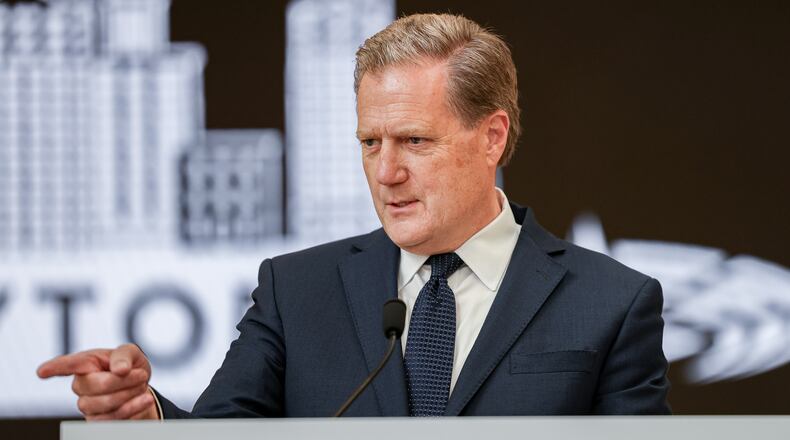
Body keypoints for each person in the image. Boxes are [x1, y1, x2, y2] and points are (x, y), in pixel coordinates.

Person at [37, 13, 670, 418]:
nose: (385, 172)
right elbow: (220, 439)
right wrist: (143, 414)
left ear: (492, 138)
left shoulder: (611, 303)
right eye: (371, 143)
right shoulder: (296, 291)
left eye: (414, 142)